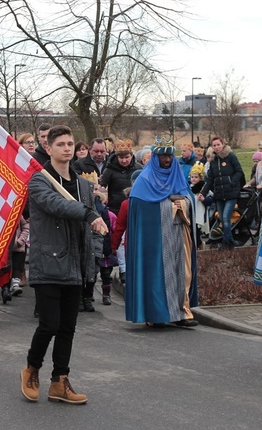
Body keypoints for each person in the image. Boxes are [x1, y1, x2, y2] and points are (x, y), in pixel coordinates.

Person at [19, 125, 107, 405]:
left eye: (70, 143)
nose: (67, 148)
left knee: (68, 326)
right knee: (49, 324)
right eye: (61, 144)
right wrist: (89, 213)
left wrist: (91, 253)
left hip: (75, 264)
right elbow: (57, 205)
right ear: (49, 148)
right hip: (48, 262)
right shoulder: (39, 180)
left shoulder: (82, 183)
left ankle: (60, 381)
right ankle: (32, 369)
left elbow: (86, 223)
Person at [124, 138, 198, 328]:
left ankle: (182, 312)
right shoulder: (144, 180)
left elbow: (188, 198)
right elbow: (141, 207)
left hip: (179, 234)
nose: (167, 159)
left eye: (170, 155)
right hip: (154, 239)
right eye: (163, 155)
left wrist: (183, 204)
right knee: (156, 273)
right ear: (156, 157)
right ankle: (156, 314)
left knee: (182, 273)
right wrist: (168, 206)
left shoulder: (177, 174)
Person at [197, 136, 244, 249]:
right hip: (219, 193)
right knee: (222, 218)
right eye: (214, 145)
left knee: (226, 217)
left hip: (231, 193)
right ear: (212, 147)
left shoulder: (230, 156)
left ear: (222, 144)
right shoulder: (213, 161)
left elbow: (239, 171)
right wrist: (203, 193)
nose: (217, 147)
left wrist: (232, 182)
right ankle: (231, 241)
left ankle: (225, 243)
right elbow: (210, 180)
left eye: (218, 144)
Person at [99, 139, 140, 215]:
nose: (124, 161)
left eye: (127, 157)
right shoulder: (109, 169)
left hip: (135, 206)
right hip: (115, 208)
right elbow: (102, 186)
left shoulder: (138, 168)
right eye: (121, 158)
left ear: (131, 156)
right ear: (117, 157)